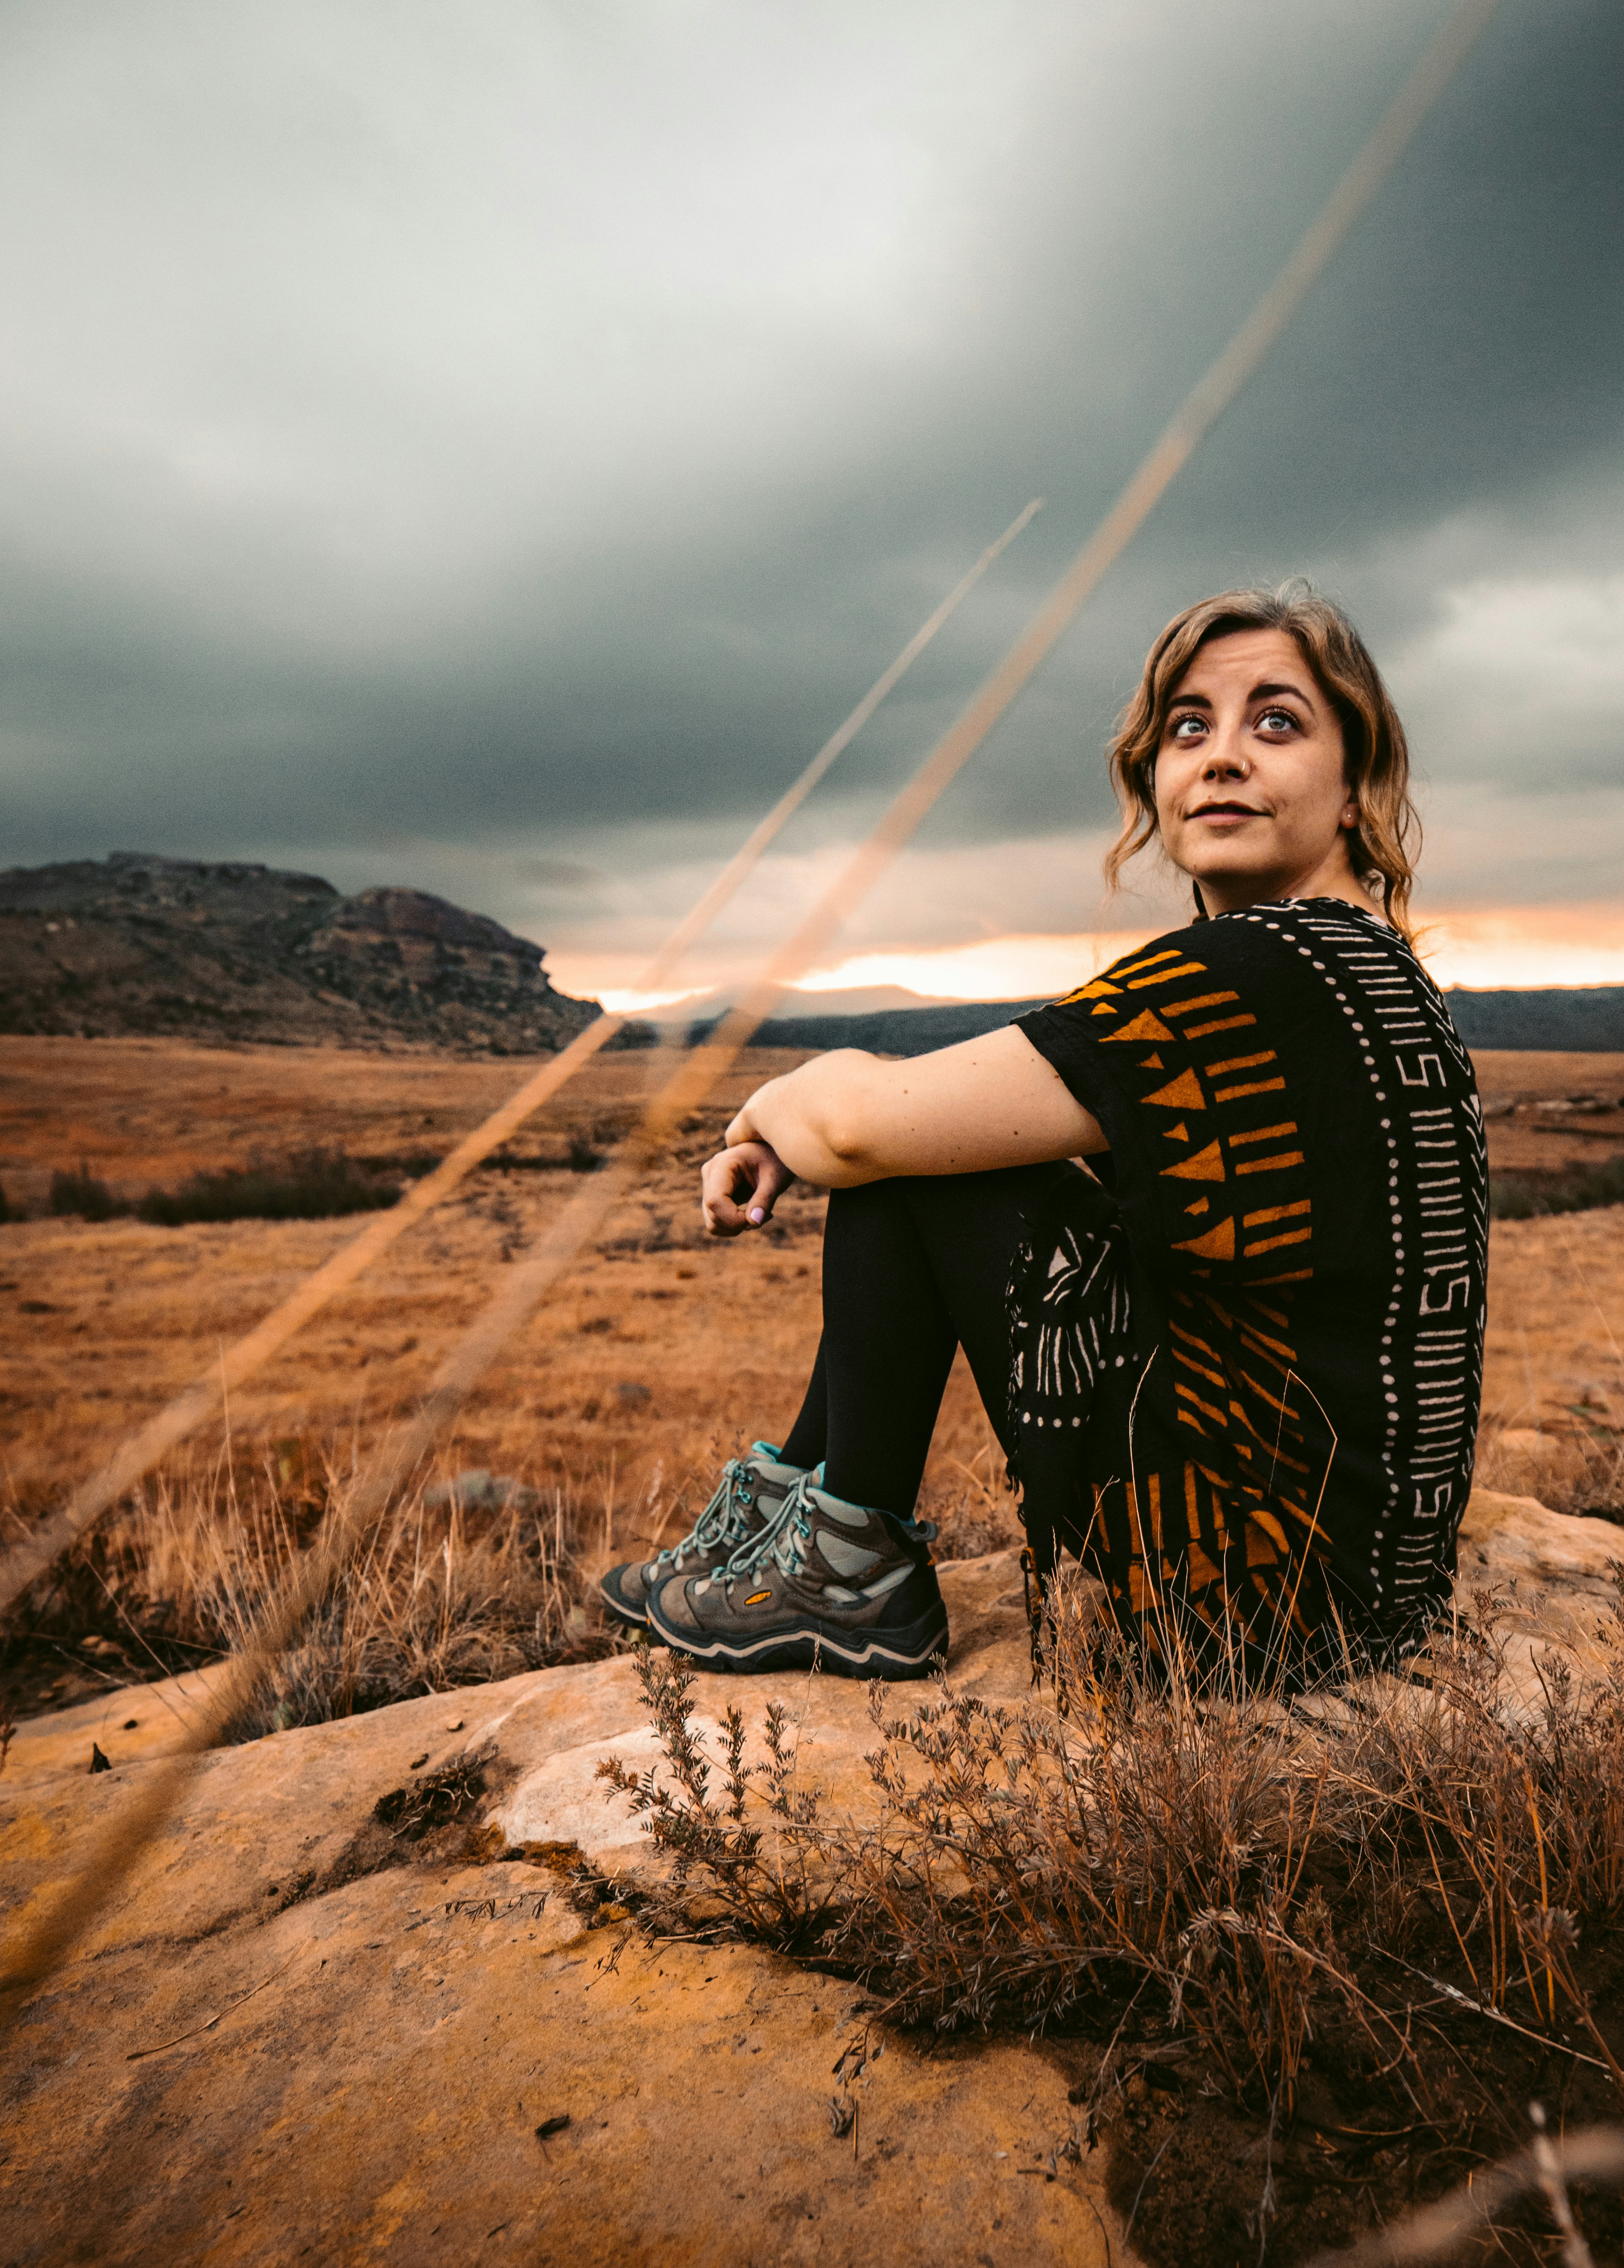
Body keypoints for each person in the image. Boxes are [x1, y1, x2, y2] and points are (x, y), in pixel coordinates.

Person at [600, 585, 1488, 1686]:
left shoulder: (1262, 967)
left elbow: (863, 1131)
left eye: (1276, 721)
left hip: (1255, 1596)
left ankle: (846, 1556)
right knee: (932, 1134)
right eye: (1188, 727)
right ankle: (797, 1506)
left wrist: (780, 1103)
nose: (1219, 757)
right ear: (1154, 780)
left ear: (1355, 789)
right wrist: (848, 1116)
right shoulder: (1362, 965)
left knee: (908, 1154)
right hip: (1361, 1578)